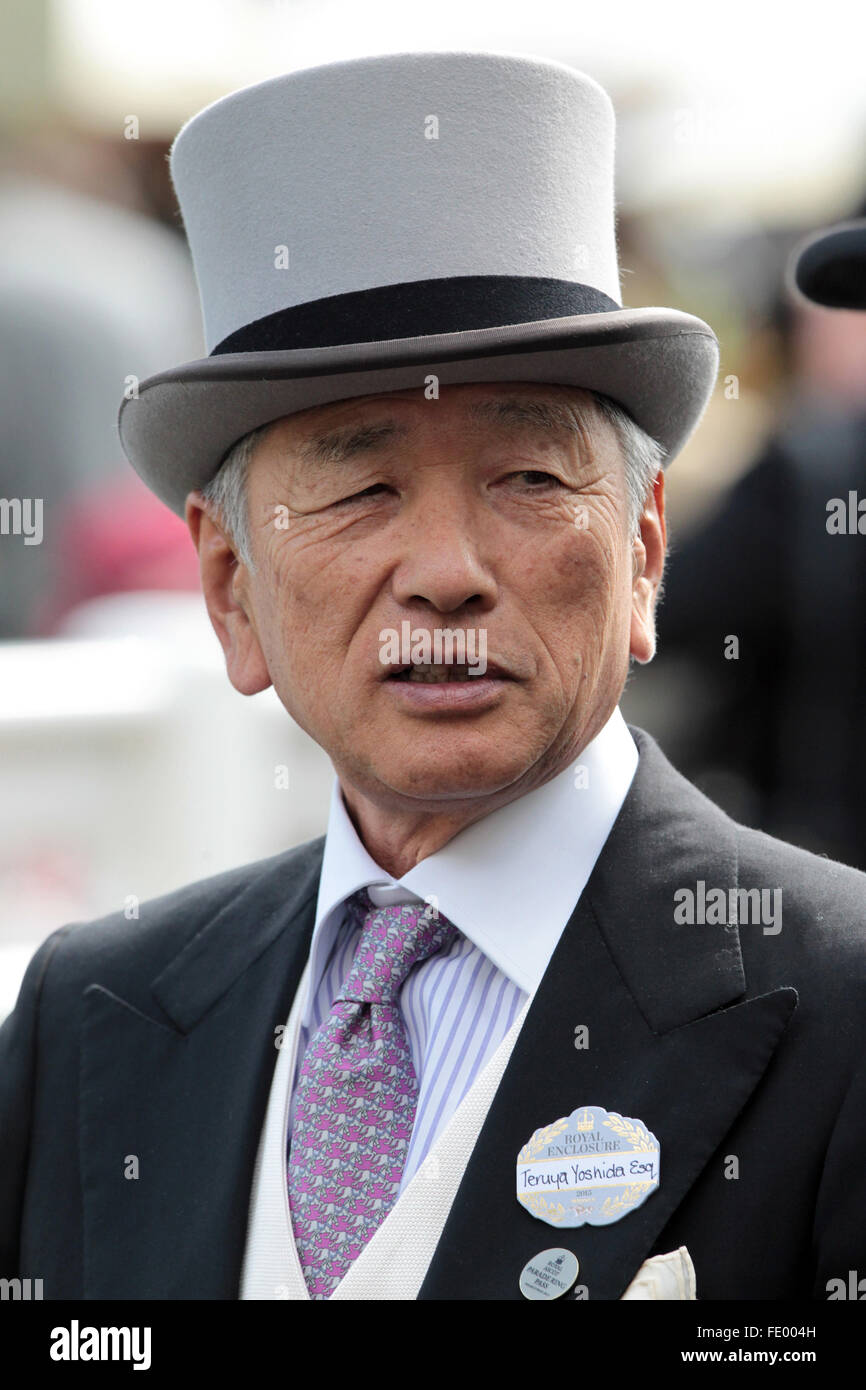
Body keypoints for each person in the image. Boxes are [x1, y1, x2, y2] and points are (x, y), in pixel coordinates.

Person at [2, 51, 865, 1303]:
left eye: (527, 478)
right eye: (360, 490)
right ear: (231, 584)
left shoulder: (838, 1006)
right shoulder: (95, 1015)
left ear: (640, 550)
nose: (446, 573)